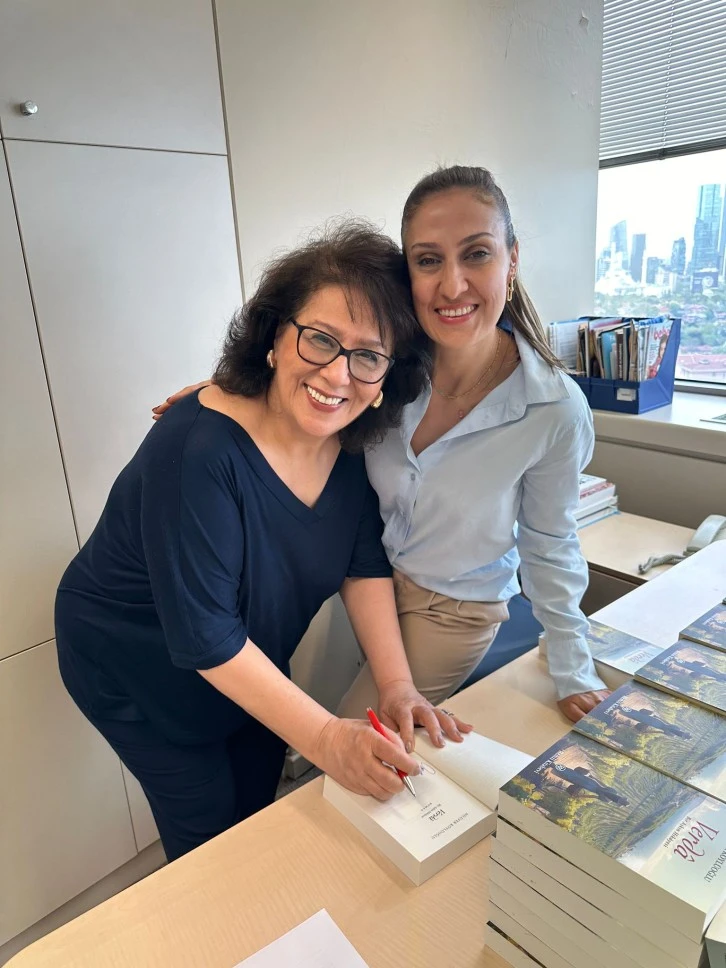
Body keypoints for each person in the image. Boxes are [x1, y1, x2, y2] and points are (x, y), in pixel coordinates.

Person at [55, 221, 464, 864]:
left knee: (260, 803)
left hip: (242, 649)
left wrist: (397, 686)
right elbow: (207, 637)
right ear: (276, 335)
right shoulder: (197, 450)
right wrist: (327, 738)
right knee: (212, 835)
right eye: (320, 339)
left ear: (388, 373)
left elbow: (362, 565)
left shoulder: (350, 444)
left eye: (368, 355)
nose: (338, 373)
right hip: (135, 661)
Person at [156, 166, 609, 726]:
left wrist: (573, 666)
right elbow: (315, 383)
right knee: (310, 732)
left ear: (511, 260)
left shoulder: (552, 409)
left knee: (346, 748)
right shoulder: (386, 362)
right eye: (428, 260)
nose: (452, 286)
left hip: (451, 610)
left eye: (476, 254)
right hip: (362, 581)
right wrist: (233, 395)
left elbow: (551, 544)